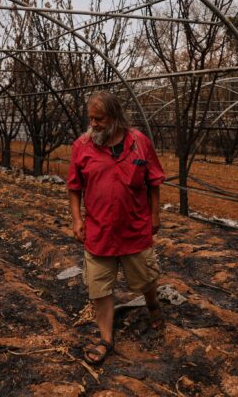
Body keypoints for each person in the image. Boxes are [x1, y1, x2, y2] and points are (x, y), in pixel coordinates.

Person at [67, 91, 166, 365]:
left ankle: (153, 304)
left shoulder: (139, 143)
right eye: (90, 119)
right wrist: (77, 220)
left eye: (98, 119)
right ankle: (106, 338)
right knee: (99, 287)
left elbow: (154, 182)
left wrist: (155, 215)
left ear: (115, 118)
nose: (93, 124)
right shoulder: (82, 146)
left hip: (134, 227)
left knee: (145, 278)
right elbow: (74, 188)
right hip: (99, 230)